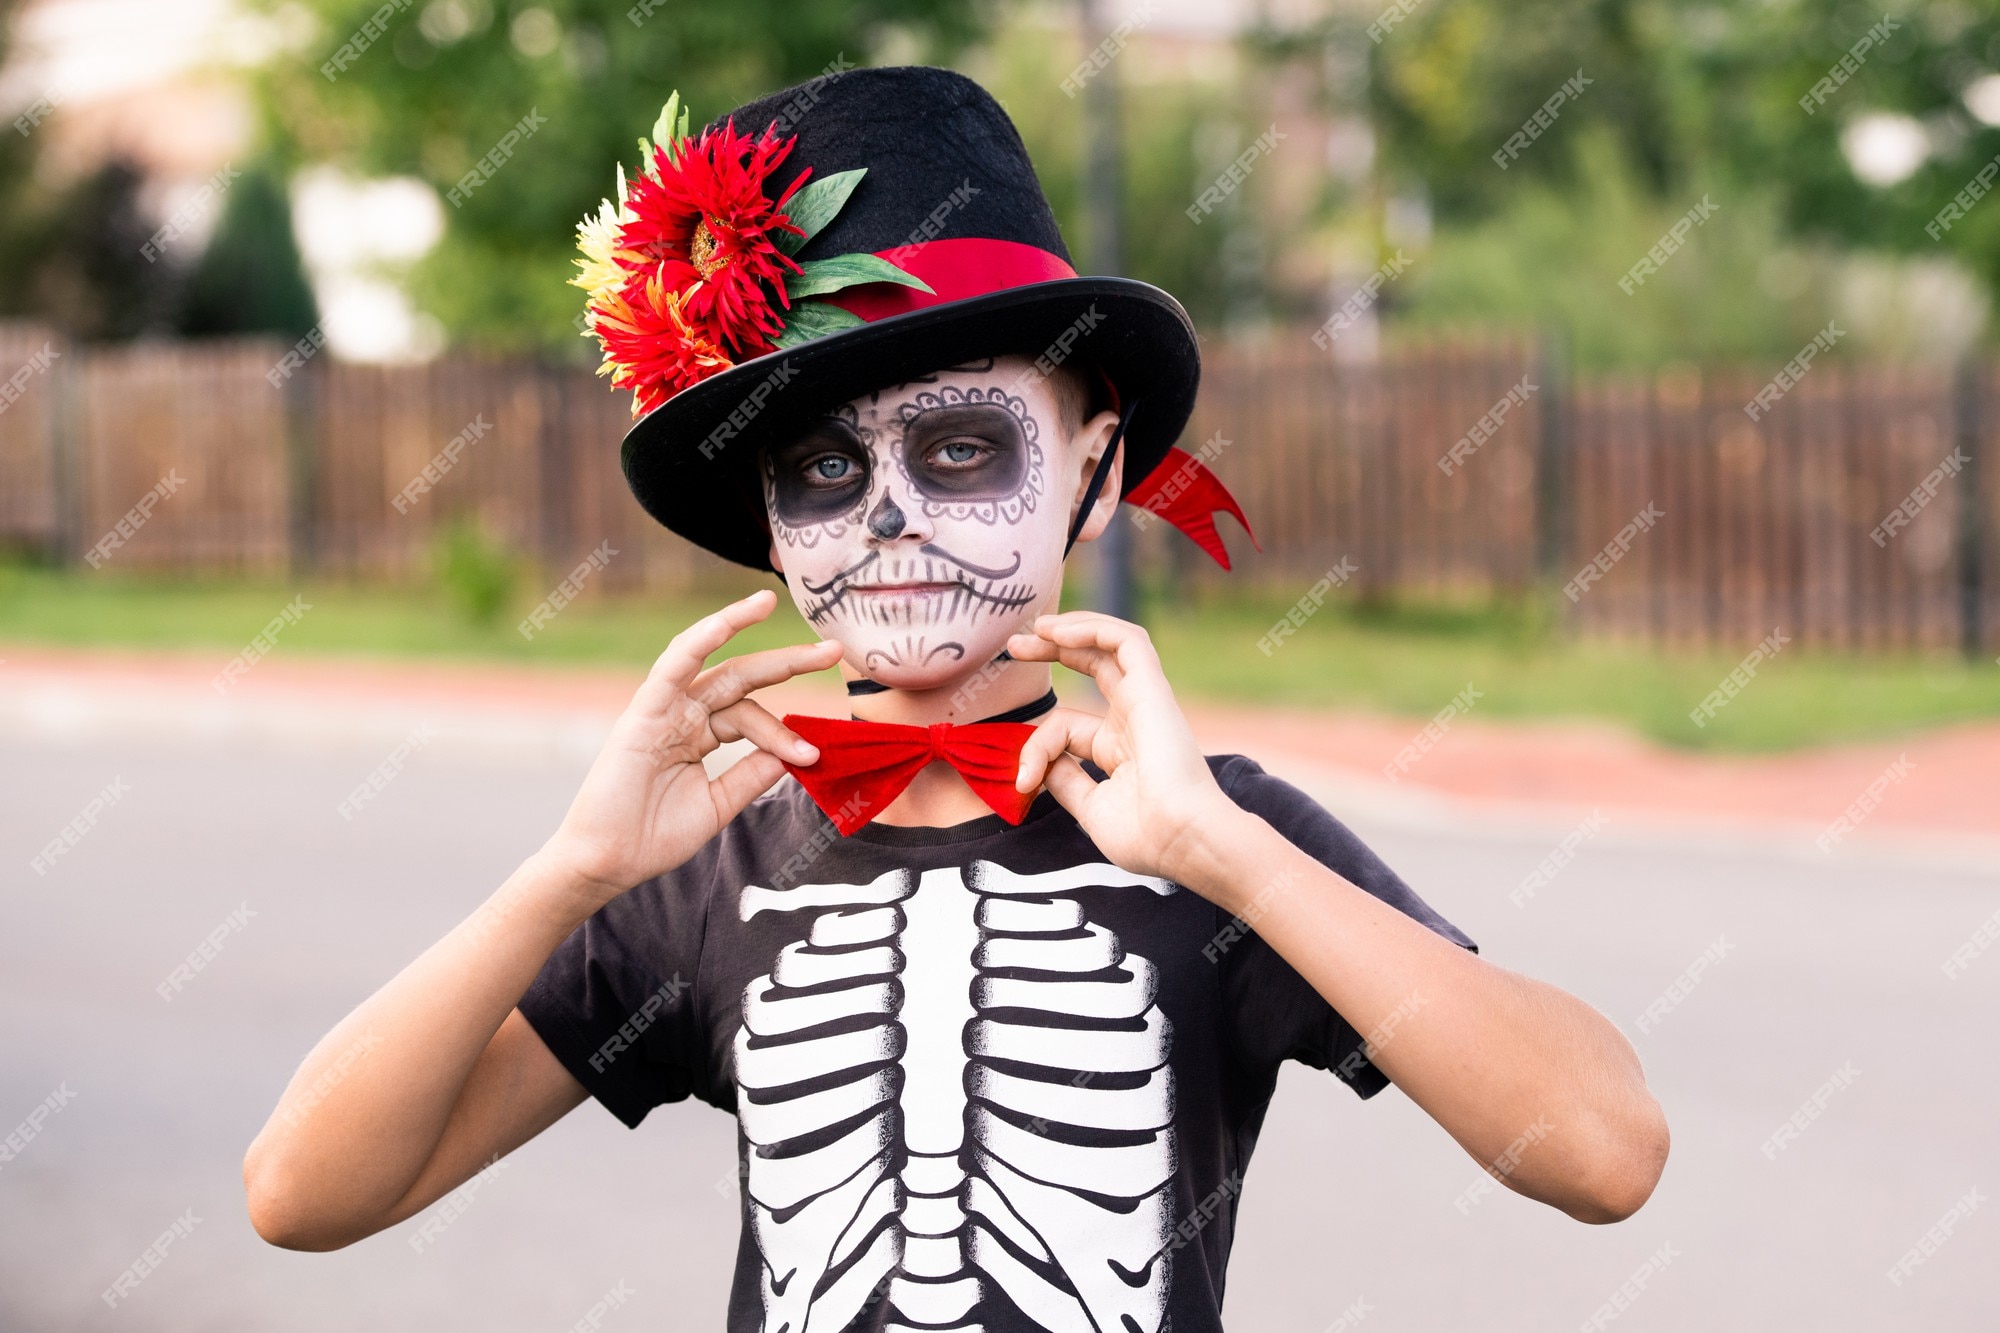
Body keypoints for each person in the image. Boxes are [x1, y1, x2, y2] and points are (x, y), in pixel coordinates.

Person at [243, 66, 1668, 1333]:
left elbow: (1604, 1151)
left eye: (967, 447)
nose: (886, 521)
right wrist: (570, 874)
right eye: (820, 471)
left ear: (1098, 473)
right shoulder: (707, 867)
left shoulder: (1209, 835)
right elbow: (302, 1192)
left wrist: (1230, 856)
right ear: (769, 520)